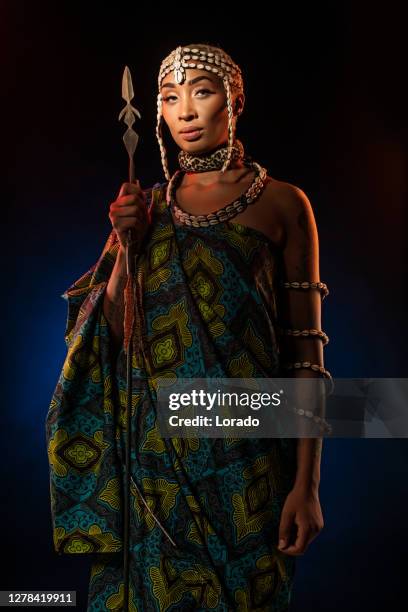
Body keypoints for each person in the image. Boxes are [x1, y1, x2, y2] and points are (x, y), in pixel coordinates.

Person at [46, 43, 332, 611]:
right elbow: (106, 340)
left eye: (202, 92)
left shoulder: (282, 204)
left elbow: (305, 354)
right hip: (154, 459)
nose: (186, 111)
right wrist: (129, 247)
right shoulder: (146, 208)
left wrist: (307, 485)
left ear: (235, 100)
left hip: (249, 459)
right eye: (171, 97)